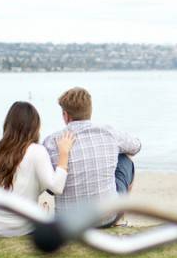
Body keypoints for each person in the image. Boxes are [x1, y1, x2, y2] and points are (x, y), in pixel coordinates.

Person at [42, 87, 141, 225]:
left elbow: (50, 186)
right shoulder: (108, 133)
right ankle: (120, 218)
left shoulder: (51, 142)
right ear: (90, 110)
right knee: (125, 160)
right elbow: (136, 146)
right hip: (107, 218)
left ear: (65, 115)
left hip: (68, 222)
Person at [0, 101, 75, 237]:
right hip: (17, 226)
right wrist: (64, 153)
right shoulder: (37, 151)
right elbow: (56, 188)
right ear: (35, 126)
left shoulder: (2, 148)